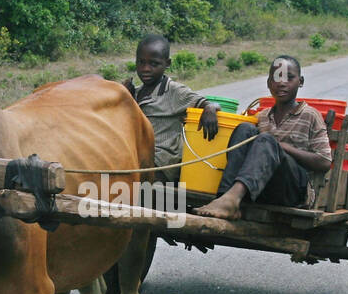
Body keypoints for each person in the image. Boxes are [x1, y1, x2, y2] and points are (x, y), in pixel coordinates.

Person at [196, 55, 332, 220]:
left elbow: (324, 162)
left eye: (289, 78)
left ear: (300, 81)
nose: (282, 83)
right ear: (269, 83)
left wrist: (283, 147)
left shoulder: (310, 115)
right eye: (276, 78)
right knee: (245, 128)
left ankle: (230, 201)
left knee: (266, 140)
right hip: (261, 187)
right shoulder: (262, 117)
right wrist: (211, 107)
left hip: (292, 191)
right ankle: (225, 197)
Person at [122, 34, 218, 182]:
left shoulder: (174, 91)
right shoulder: (136, 92)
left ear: (167, 63)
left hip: (161, 162)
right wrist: (124, 95)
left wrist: (210, 109)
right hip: (136, 155)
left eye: (154, 64)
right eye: (141, 62)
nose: (145, 69)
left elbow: (205, 102)